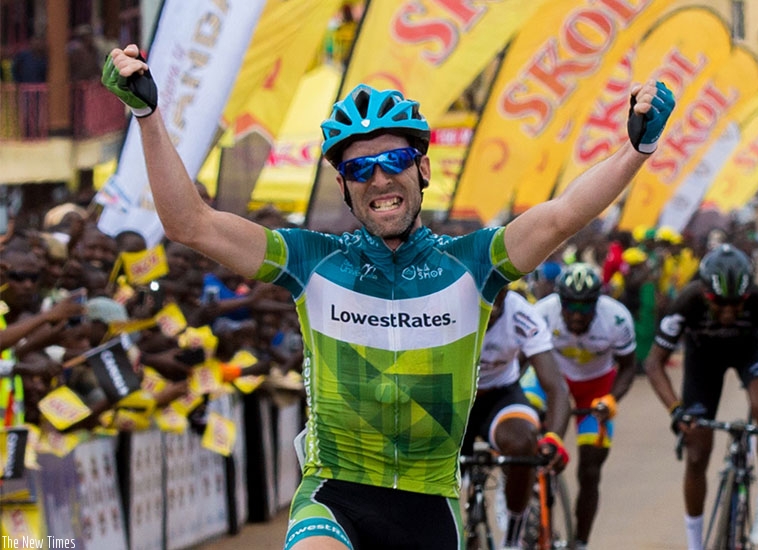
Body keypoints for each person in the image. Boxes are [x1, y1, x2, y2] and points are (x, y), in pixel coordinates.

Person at [101, 43, 674, 549]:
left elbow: (564, 215)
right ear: (344, 185)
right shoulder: (310, 261)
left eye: (395, 161)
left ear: (422, 168)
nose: (379, 178)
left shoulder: (474, 263)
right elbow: (190, 224)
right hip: (335, 494)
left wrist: (635, 152)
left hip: (429, 505)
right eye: (360, 168)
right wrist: (147, 116)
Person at [644, 244, 758, 550]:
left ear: (747, 295)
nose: (728, 313)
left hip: (749, 351)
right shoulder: (687, 302)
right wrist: (676, 410)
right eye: (719, 304)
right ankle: (695, 544)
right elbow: (653, 363)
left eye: (736, 304)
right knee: (697, 452)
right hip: (703, 361)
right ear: (704, 294)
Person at [530, 263, 637, 550]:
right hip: (551, 381)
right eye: (571, 307)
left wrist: (611, 399)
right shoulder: (541, 313)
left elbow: (628, 367)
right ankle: (522, 494)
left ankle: (581, 542)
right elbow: (519, 360)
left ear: (597, 303)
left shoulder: (616, 319)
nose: (577, 315)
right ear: (559, 301)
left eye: (585, 308)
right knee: (523, 424)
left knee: (590, 470)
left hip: (596, 387)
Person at [464, 287, 570, 549]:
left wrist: (554, 438)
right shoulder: (444, 303)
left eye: (499, 290)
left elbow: (556, 387)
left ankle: (512, 539)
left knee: (524, 444)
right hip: (453, 398)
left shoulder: (521, 313)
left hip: (499, 395)